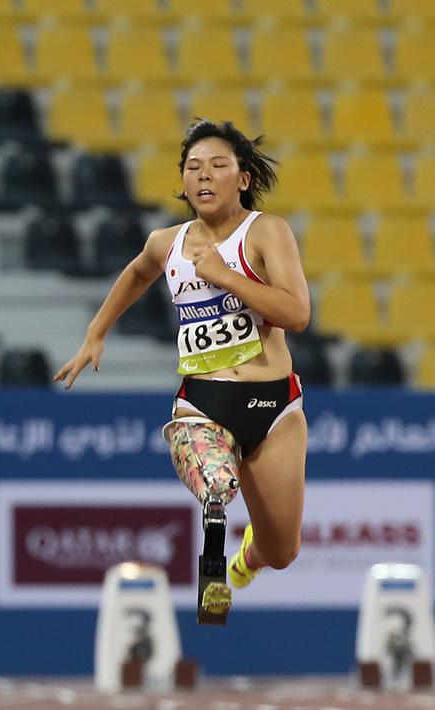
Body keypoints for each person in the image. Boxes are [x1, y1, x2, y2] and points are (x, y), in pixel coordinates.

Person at [54, 119, 309, 621]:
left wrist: (224, 275)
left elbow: (297, 314)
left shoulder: (265, 232)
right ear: (184, 180)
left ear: (243, 179)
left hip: (273, 405)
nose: (204, 176)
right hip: (203, 404)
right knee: (215, 483)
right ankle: (214, 541)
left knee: (283, 553)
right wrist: (96, 333)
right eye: (193, 167)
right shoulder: (165, 242)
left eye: (218, 165)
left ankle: (245, 557)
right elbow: (137, 272)